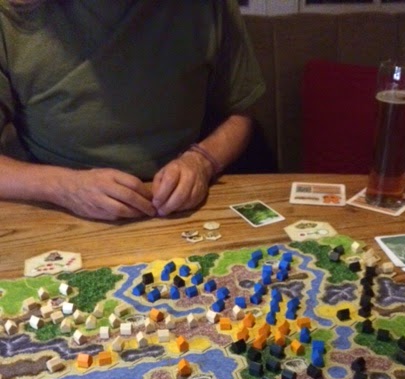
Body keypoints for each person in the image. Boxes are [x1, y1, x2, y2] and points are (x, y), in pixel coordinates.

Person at [0, 0, 265, 221]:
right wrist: (64, 187)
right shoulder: (11, 16)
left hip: (179, 208)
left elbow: (240, 112)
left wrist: (201, 162)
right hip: (61, 211)